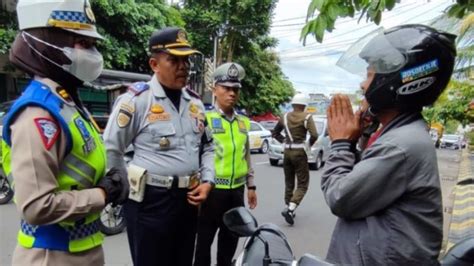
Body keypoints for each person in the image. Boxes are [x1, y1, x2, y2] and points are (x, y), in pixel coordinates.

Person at [2, 0, 128, 265]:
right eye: (83, 44)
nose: (93, 53)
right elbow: (37, 207)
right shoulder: (38, 114)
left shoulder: (67, 103)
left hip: (81, 249)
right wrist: (102, 194)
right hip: (53, 256)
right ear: (48, 43)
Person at [321, 24, 456, 265]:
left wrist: (341, 144)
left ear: (393, 81)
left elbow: (340, 197)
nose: (363, 85)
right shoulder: (401, 134)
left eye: (370, 75)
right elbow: (368, 183)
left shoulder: (400, 145)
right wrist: (364, 134)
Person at [103, 27, 215, 266]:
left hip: (189, 199)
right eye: (174, 60)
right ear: (154, 64)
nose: (183, 66)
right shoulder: (136, 101)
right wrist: (122, 193)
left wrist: (208, 181)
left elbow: (208, 147)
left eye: (186, 60)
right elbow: (112, 149)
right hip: (150, 202)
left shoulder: (195, 103)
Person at [194, 62, 258, 266]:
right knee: (203, 243)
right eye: (226, 88)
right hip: (211, 193)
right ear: (215, 89)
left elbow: (246, 155)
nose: (232, 93)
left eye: (235, 89)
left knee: (229, 242)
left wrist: (251, 185)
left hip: (236, 193)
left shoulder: (243, 122)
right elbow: (196, 153)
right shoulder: (204, 118)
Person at [272, 93, 318, 225]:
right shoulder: (307, 117)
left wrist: (284, 141)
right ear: (304, 105)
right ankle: (291, 208)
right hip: (299, 152)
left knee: (289, 181)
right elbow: (314, 134)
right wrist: (308, 145)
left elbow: (275, 133)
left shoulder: (284, 117)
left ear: (293, 104)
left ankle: (288, 206)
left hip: (287, 152)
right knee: (303, 184)